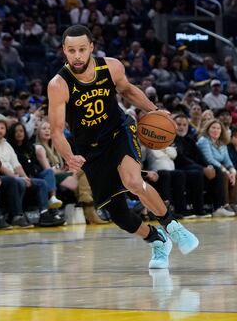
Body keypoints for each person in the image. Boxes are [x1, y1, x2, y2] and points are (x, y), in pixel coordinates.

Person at [47, 25, 198, 270]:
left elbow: (127, 90)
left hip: (119, 131)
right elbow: (55, 130)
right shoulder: (58, 84)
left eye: (82, 49)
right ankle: (156, 239)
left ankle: (174, 227)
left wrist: (153, 110)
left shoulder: (111, 66)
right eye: (71, 50)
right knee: (118, 215)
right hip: (89, 149)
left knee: (133, 181)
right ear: (64, 50)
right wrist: (68, 155)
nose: (77, 55)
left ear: (91, 48)